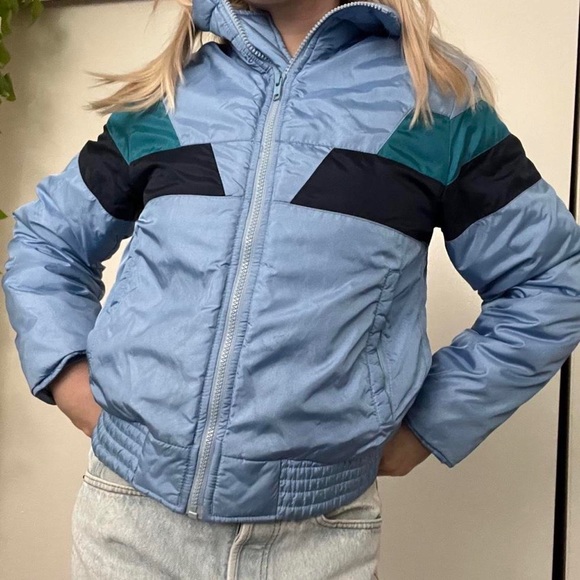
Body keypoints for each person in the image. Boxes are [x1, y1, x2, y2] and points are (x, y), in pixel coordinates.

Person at [2, 0, 580, 578]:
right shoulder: (172, 95)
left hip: (317, 540)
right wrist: (69, 379)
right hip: (128, 528)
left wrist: (431, 425)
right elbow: (48, 242)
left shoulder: (437, 108)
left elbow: (553, 282)